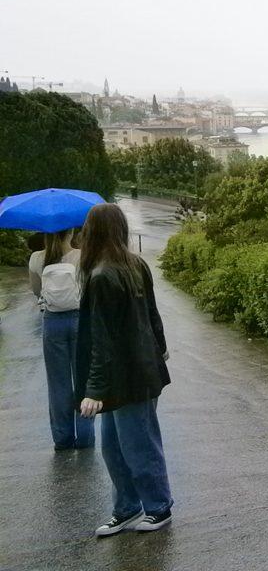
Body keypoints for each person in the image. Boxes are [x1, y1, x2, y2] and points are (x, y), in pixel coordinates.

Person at [76, 203, 173, 537]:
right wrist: (160, 348)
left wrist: (93, 390)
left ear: (93, 231)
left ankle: (158, 507)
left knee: (137, 445)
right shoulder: (132, 265)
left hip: (128, 375)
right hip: (138, 370)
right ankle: (128, 507)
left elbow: (101, 340)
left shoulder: (104, 275)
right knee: (116, 446)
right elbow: (152, 315)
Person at [28, 228, 95, 451]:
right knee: (83, 379)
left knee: (58, 384)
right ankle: (85, 438)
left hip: (52, 323)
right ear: (72, 231)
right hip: (79, 322)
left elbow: (37, 292)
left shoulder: (37, 258)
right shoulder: (82, 255)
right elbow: (89, 288)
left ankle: (62, 438)